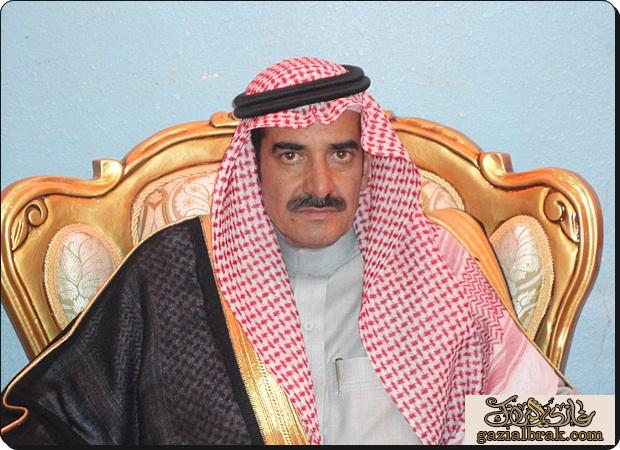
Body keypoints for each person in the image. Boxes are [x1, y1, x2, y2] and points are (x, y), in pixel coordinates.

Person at [0, 57, 573, 445]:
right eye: (291, 155)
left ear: (368, 162)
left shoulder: (438, 264)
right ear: (253, 166)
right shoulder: (172, 274)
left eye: (341, 154)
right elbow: (52, 419)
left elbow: (554, 424)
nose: (320, 184)